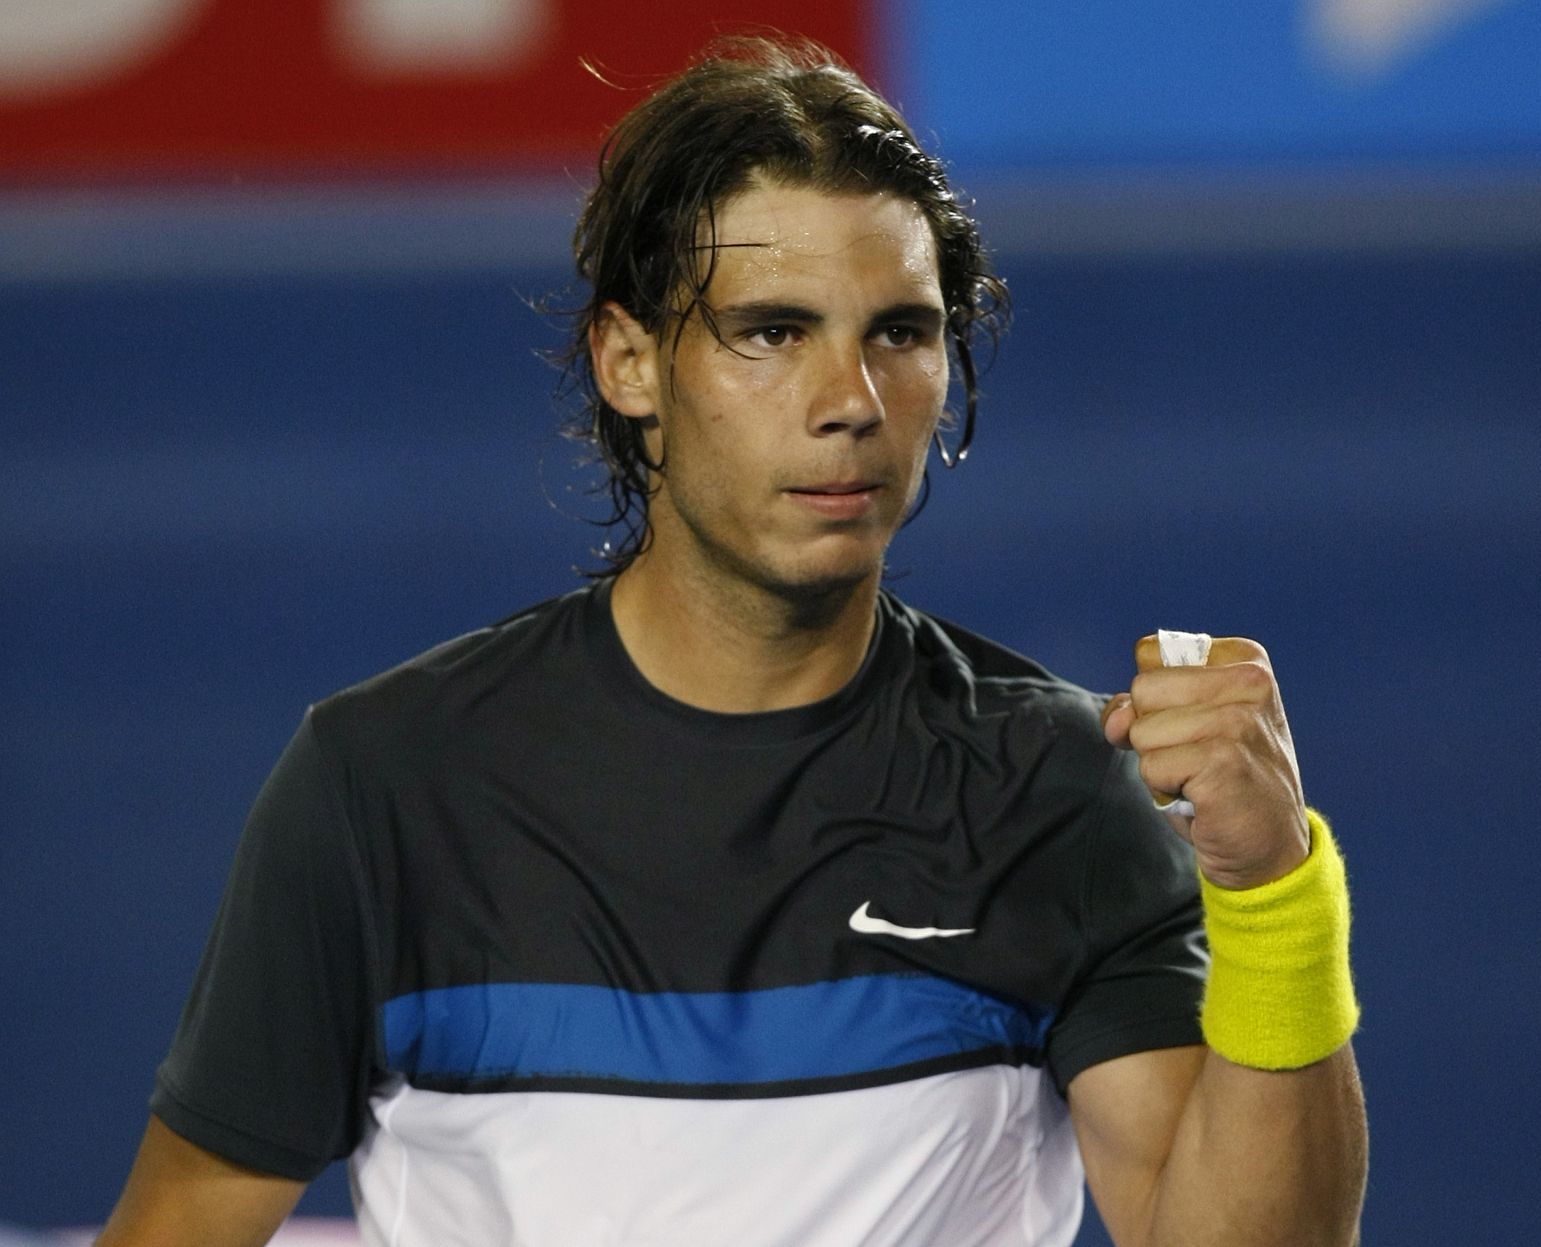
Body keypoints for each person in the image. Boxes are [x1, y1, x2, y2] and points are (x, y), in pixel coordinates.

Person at [98, 36, 1367, 1247]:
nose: (850, 404)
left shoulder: (1059, 788)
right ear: (629, 361)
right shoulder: (382, 785)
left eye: (900, 333)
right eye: (772, 331)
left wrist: (1268, 898)